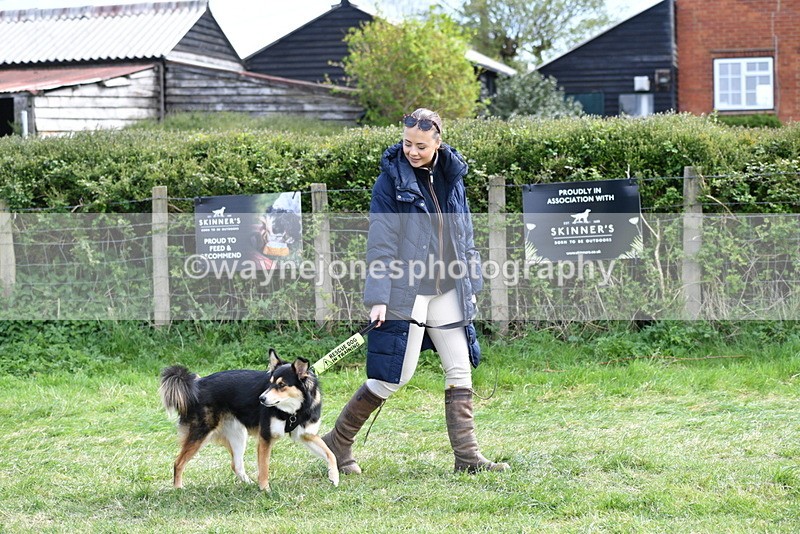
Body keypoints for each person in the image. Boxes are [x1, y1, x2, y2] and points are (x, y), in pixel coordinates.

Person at [322, 108, 509, 474]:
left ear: (438, 141)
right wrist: (378, 297)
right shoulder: (388, 183)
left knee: (460, 370)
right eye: (407, 143)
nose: (412, 151)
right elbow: (381, 243)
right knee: (394, 376)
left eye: (421, 145)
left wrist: (471, 284)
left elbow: (465, 235)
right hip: (408, 292)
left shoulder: (453, 177)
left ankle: (468, 459)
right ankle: (337, 442)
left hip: (448, 288)